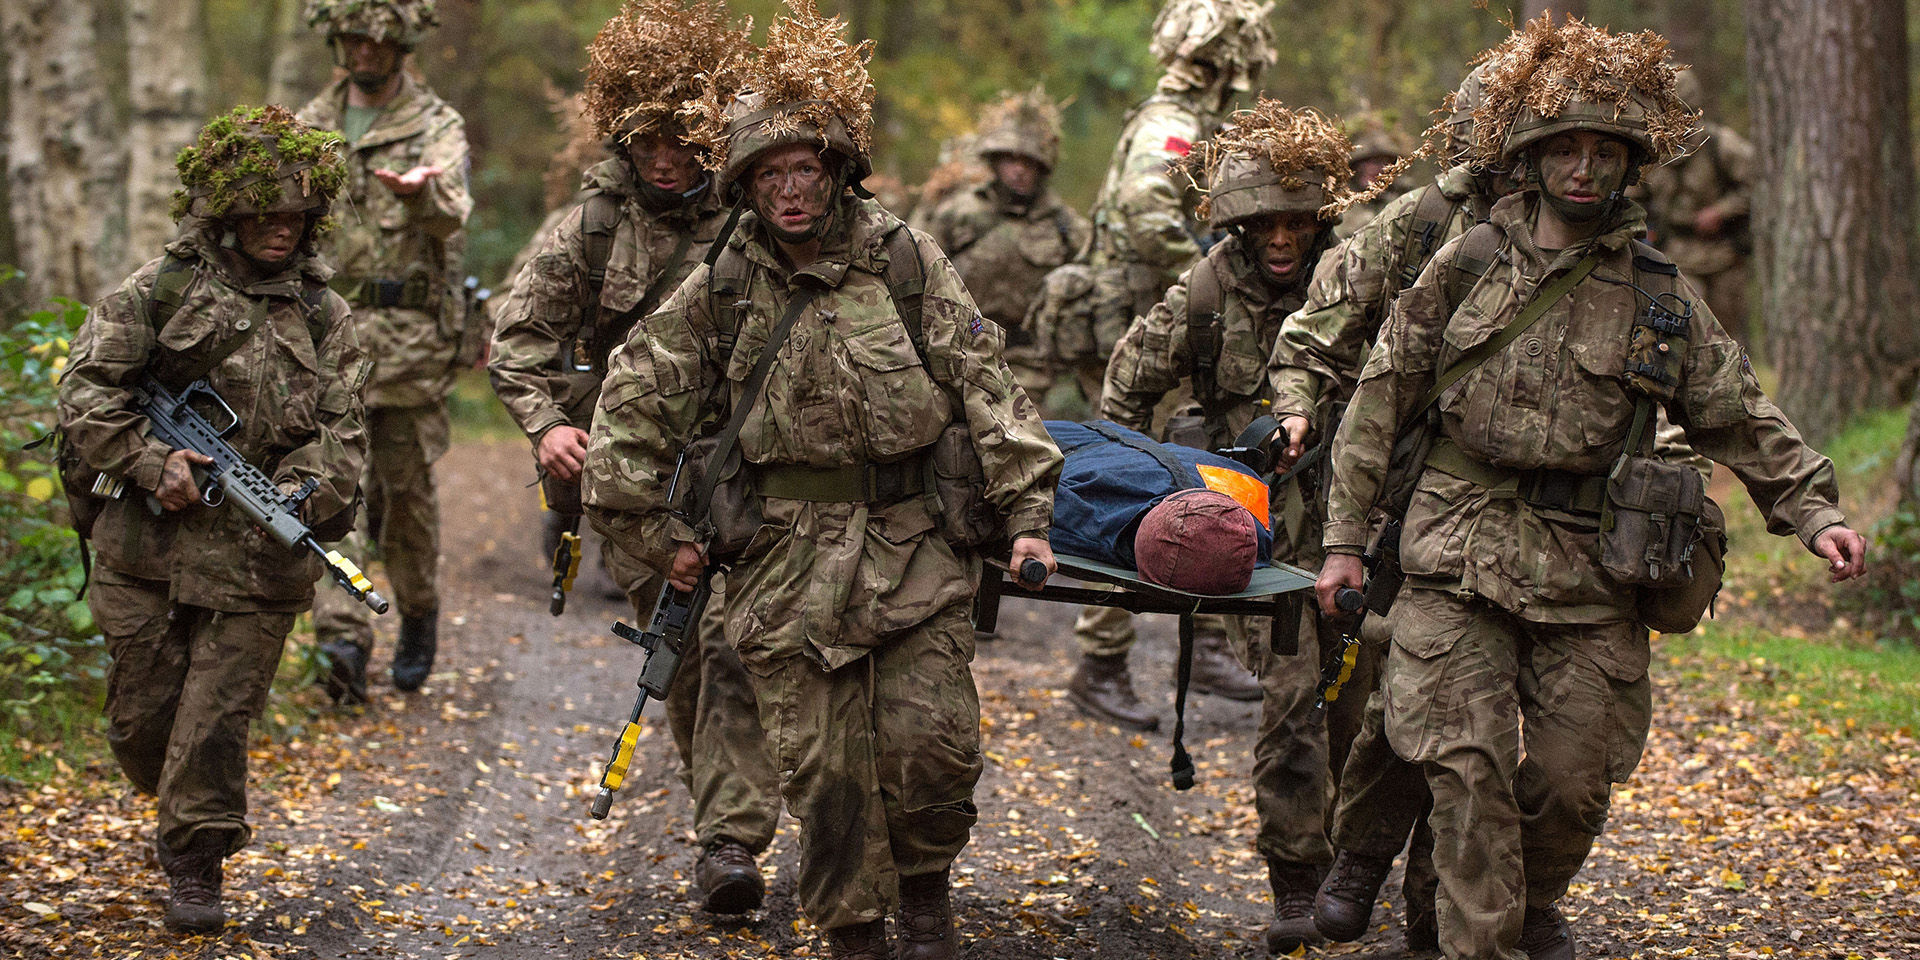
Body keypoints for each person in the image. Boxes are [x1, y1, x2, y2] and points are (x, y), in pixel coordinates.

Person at [1314, 17, 1868, 960]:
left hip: (1593, 568)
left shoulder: (1659, 293)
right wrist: (1339, 541)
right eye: (1564, 149)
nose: (1582, 170)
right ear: (1531, 160)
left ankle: (1531, 900)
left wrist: (1814, 509)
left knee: (1573, 784)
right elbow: (1382, 397)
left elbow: (1736, 409)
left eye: (1602, 152)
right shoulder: (1472, 263)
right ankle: (1466, 931)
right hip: (1458, 545)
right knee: (1467, 769)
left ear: (1627, 166)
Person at [581, 3, 1063, 957]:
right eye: (770, 174)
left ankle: (924, 883)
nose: (791, 191)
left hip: (913, 539)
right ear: (747, 185)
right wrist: (656, 537)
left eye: (806, 169)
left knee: (931, 749)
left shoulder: (902, 258)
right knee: (823, 773)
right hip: (780, 559)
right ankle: (856, 930)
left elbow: (985, 382)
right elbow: (631, 406)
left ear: (838, 172)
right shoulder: (720, 284)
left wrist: (1029, 516)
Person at [487, 0, 782, 914]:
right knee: (691, 650)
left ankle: (737, 835)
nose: (665, 159)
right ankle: (728, 834)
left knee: (746, 646)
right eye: (647, 139)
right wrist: (548, 428)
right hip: (640, 475)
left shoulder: (757, 214)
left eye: (683, 140)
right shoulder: (592, 228)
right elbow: (515, 340)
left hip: (753, 466)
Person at [56, 106, 366, 933]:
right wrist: (154, 463)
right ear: (227, 211)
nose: (281, 228)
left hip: (259, 564)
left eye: (297, 214)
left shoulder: (327, 315)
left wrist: (303, 492)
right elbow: (85, 395)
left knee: (216, 724)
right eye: (265, 210)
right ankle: (184, 811)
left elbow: (345, 434)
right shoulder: (157, 291)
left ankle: (196, 866)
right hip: (145, 550)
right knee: (142, 727)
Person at [1102, 99, 1353, 954]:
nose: (1280, 240)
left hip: (1360, 521)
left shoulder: (1359, 283)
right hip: (1259, 536)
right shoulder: (1202, 293)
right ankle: (1296, 882)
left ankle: (1363, 864)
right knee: (1291, 704)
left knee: (1369, 705)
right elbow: (1123, 391)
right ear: (1237, 225)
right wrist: (1158, 493)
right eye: (1263, 223)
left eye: (1296, 221)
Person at [1267, 66, 1506, 952]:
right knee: (1400, 701)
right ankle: (1365, 863)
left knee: (1483, 728)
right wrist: (1296, 409)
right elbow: (1311, 336)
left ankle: (1434, 906)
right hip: (1407, 506)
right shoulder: (1416, 225)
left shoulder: (1597, 241)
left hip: (1529, 530)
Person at [1056, 0, 1278, 732]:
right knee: (1134, 489)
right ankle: (1103, 661)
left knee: (1202, 472)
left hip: (1162, 323)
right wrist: (1213, 281)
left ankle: (1207, 640)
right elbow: (1149, 208)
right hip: (1140, 330)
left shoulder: (1190, 120)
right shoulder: (1169, 124)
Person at [298, 0, 473, 701]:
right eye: (354, 40)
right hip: (324, 341)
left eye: (378, 40)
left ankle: (420, 610)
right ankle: (342, 638)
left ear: (400, 43)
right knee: (334, 491)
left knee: (403, 498)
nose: (365, 52)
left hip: (406, 346)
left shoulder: (436, 123)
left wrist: (420, 197)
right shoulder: (310, 123)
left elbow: (453, 207)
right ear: (338, 40)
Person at [919, 88, 1091, 412]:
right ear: (995, 160)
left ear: (1042, 167)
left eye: (1029, 161)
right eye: (1010, 159)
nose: (1019, 170)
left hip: (1033, 368)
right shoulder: (958, 213)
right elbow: (917, 275)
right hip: (960, 355)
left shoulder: (1065, 226)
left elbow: (1093, 280)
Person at [1636, 68, 1754, 344]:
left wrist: (1721, 211)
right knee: (1682, 338)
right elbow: (1633, 199)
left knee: (1727, 341)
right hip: (1673, 256)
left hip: (1724, 257)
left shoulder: (1720, 144)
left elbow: (1758, 183)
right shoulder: (1649, 149)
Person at [1334, 110, 1415, 239]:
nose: (1373, 169)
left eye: (1380, 162)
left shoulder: (1407, 200)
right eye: (1366, 162)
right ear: (1353, 165)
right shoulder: (1336, 203)